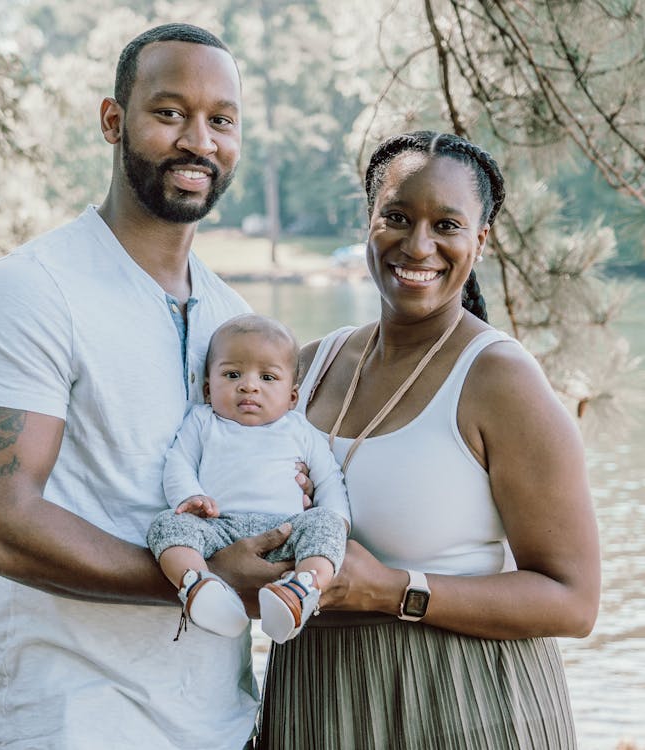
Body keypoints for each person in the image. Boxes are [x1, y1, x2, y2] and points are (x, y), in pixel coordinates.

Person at [0, 23, 310, 750]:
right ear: (115, 121)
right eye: (170, 112)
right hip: (71, 720)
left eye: (220, 120)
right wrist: (203, 580)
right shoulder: (25, 293)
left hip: (223, 723)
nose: (198, 140)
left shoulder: (236, 322)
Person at [257, 131, 601, 749]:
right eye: (397, 216)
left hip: (465, 703)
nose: (419, 245)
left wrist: (393, 591)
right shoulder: (310, 367)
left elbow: (573, 601)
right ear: (369, 221)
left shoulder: (501, 378)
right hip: (314, 700)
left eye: (447, 224)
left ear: (481, 239)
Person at [148, 313, 350, 644]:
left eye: (268, 378)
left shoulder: (299, 429)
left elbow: (329, 479)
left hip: (286, 531)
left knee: (326, 524)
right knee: (168, 525)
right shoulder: (203, 421)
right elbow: (179, 462)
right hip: (218, 528)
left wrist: (338, 520)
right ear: (209, 388)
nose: (249, 385)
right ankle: (199, 585)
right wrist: (190, 497)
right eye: (232, 374)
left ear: (293, 397)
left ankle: (302, 588)